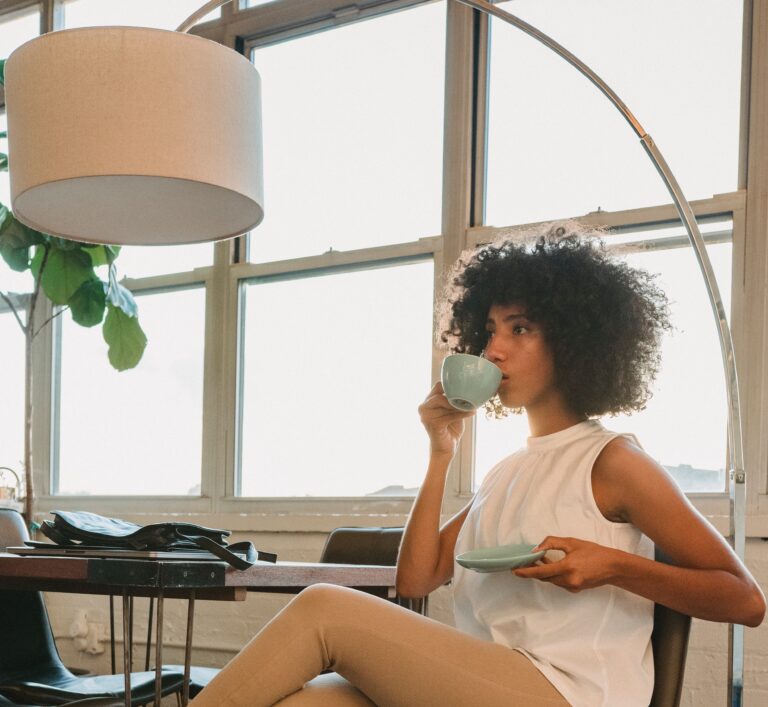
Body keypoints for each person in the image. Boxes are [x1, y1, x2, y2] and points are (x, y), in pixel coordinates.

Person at [192, 224, 765, 707]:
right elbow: (417, 579)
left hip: (570, 694)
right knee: (307, 701)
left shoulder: (612, 459)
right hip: (493, 678)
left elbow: (745, 600)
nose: (493, 349)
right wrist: (440, 452)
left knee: (324, 607)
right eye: (490, 330)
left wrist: (612, 565)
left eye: (520, 329)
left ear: (573, 342)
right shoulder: (506, 472)